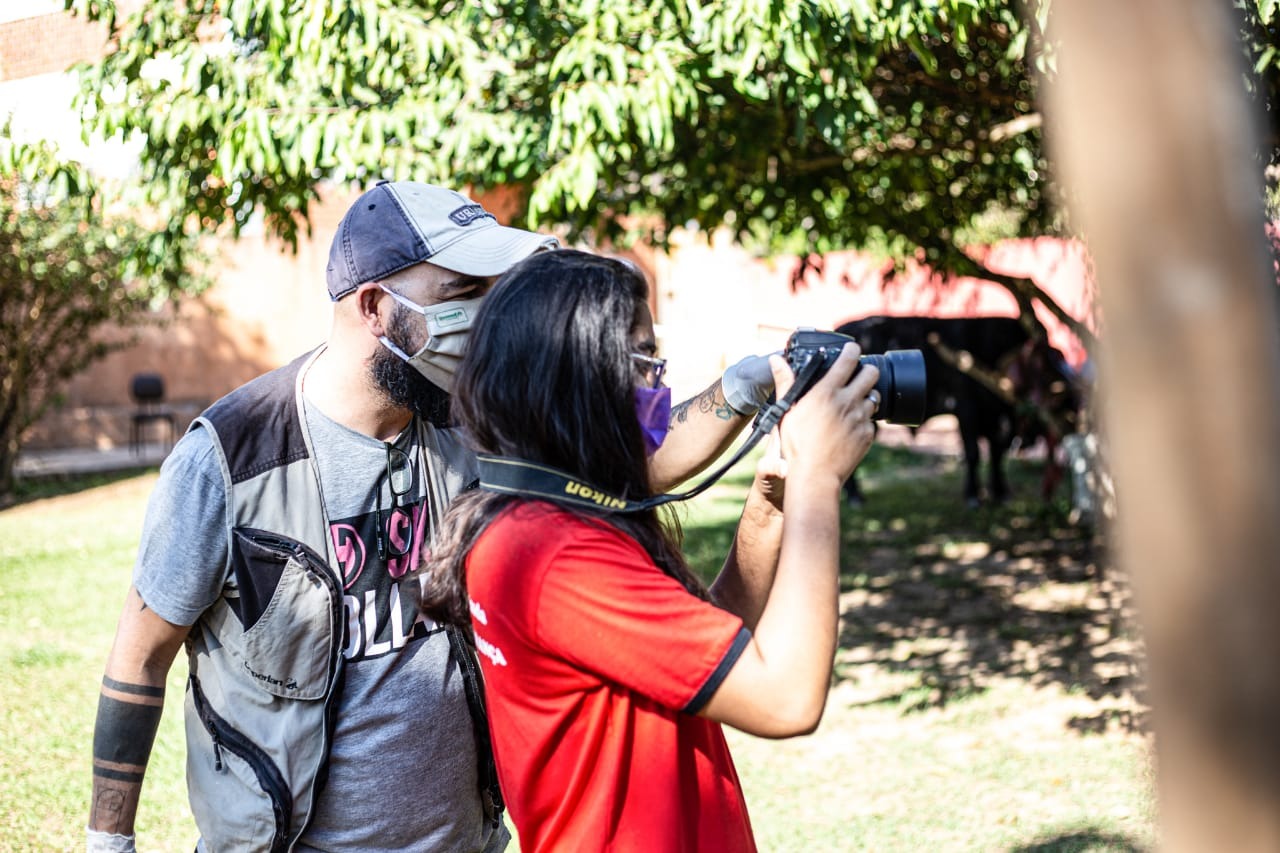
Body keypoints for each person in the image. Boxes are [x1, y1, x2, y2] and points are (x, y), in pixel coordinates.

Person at [86, 183, 775, 852]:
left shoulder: (473, 419)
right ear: (377, 306)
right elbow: (141, 655)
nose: (486, 315)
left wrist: (746, 388)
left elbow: (634, 460)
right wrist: (108, 840)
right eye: (462, 293)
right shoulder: (231, 457)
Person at [419, 249, 880, 852]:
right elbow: (786, 698)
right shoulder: (557, 555)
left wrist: (772, 505)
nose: (656, 380)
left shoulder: (530, 522)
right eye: (642, 357)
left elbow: (711, 648)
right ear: (581, 379)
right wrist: (820, 479)